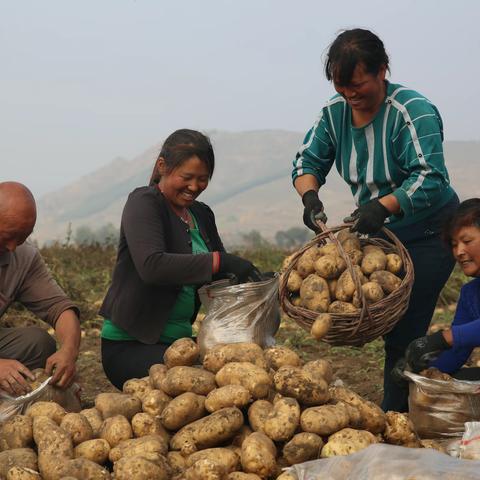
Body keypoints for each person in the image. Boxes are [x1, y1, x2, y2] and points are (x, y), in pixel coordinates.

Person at [292, 28, 459, 411]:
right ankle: (406, 397)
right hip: (379, 232)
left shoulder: (411, 110)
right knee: (380, 313)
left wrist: (384, 205)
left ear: (383, 70)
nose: (349, 94)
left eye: (357, 84)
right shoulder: (334, 114)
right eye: (340, 85)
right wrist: (310, 195)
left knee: (404, 323)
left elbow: (430, 177)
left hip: (431, 227)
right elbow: (307, 161)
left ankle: (396, 412)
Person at [100, 129, 261, 390]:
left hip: (182, 346)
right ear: (162, 166)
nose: (194, 187)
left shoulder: (202, 214)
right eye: (187, 177)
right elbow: (152, 266)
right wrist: (221, 261)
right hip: (131, 348)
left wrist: (257, 286)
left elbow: (219, 277)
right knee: (207, 383)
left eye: (203, 179)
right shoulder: (143, 203)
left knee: (241, 372)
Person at [0, 182, 81, 396]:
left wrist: (69, 351)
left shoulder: (23, 256)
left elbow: (60, 308)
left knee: (37, 343)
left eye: (23, 236)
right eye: (8, 236)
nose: (12, 247)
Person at [406, 199, 480, 380]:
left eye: (467, 240)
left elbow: (455, 338)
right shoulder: (470, 294)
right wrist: (422, 371)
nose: (459, 252)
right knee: (454, 381)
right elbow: (458, 350)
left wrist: (442, 338)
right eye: (454, 244)